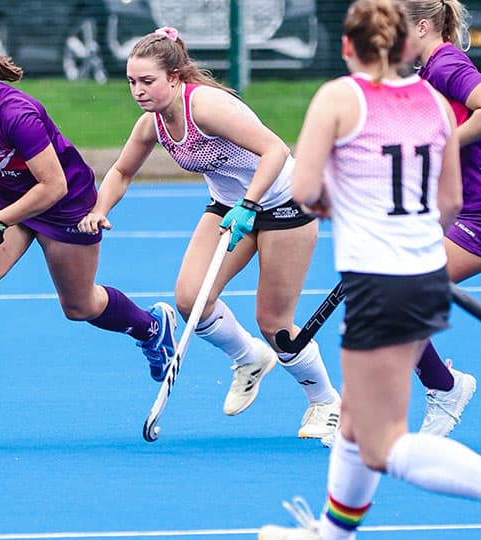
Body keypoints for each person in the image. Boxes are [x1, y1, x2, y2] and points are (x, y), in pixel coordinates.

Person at [257, 1, 481, 539]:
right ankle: (331, 533)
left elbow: (304, 193)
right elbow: (446, 203)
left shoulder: (341, 98)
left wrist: (352, 201)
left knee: (379, 443)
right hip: (411, 270)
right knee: (354, 426)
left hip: (384, 280)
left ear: (348, 47)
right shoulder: (433, 103)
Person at [0, 35, 178, 440]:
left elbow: (51, 185)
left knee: (80, 305)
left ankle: (150, 327)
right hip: (8, 195)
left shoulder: (16, 114)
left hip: (65, 202)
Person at [78, 26, 341, 439]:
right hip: (229, 205)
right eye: (132, 81)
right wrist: (99, 208)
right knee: (190, 299)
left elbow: (276, 150)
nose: (138, 91)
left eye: (147, 81)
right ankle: (247, 356)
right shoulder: (153, 122)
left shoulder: (206, 107)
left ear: (175, 78)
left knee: (275, 323)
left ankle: (325, 401)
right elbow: (122, 170)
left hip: (283, 202)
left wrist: (250, 206)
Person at [400, 0, 481, 438]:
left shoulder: (447, 63)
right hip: (450, 211)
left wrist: (442, 142)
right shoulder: (424, 75)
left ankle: (445, 390)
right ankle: (440, 387)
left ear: (426, 26)